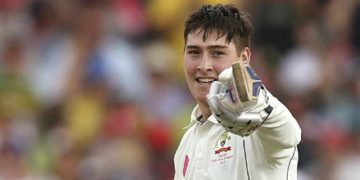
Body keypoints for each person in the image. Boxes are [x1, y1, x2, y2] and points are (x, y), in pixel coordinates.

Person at [174, 4, 301, 180]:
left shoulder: (258, 126)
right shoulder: (186, 143)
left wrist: (256, 101)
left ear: (243, 59)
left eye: (217, 53)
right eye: (194, 52)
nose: (204, 66)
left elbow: (289, 132)